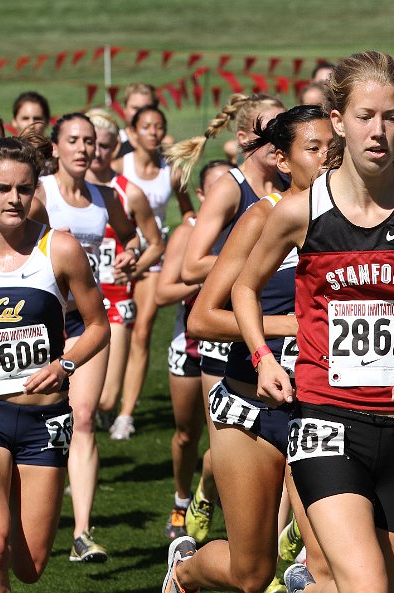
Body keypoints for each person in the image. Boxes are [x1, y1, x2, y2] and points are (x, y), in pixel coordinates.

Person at [199, 51, 394, 593]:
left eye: (390, 116)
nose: (378, 130)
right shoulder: (300, 211)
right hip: (327, 419)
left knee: (369, 583)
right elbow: (243, 287)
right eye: (364, 116)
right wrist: (263, 356)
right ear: (338, 120)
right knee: (367, 586)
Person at [162, 105, 333, 593]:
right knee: (251, 573)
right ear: (282, 159)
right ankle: (183, 573)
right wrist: (290, 327)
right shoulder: (264, 217)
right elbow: (202, 318)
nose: (327, 158)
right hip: (249, 407)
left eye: (332, 148)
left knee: (324, 561)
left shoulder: (353, 222)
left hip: (323, 412)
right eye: (314, 148)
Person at [0, 133, 110, 589]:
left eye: (24, 188)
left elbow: (98, 325)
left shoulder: (57, 249)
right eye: (2, 188)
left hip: (45, 421)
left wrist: (66, 365)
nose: (15, 199)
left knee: (30, 566)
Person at [36, 112, 139, 562]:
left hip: (86, 322)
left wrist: (131, 257)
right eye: (73, 140)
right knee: (37, 421)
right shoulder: (38, 194)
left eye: (90, 141)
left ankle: (81, 533)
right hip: (37, 325)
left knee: (82, 418)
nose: (83, 148)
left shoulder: (104, 197)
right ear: (55, 148)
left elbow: (137, 236)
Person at [155, 160, 231, 541]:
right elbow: (162, 292)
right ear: (202, 195)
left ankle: (206, 493)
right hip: (188, 346)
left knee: (224, 437)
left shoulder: (246, 226)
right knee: (187, 434)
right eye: (215, 189)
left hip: (227, 346)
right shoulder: (187, 234)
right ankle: (181, 498)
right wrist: (209, 280)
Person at [109, 105, 194, 440]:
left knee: (142, 331)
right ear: (132, 133)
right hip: (120, 257)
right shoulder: (119, 167)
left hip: (156, 257)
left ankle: (125, 414)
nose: (153, 132)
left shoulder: (169, 170)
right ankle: (106, 395)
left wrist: (192, 231)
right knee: (116, 328)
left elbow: (188, 210)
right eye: (146, 126)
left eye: (159, 126)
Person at [84, 109, 165, 426]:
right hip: (71, 300)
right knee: (79, 403)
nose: (97, 153)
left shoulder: (128, 192)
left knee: (104, 398)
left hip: (115, 299)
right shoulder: (57, 191)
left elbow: (155, 243)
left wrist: (134, 265)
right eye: (93, 145)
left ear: (115, 148)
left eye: (105, 146)